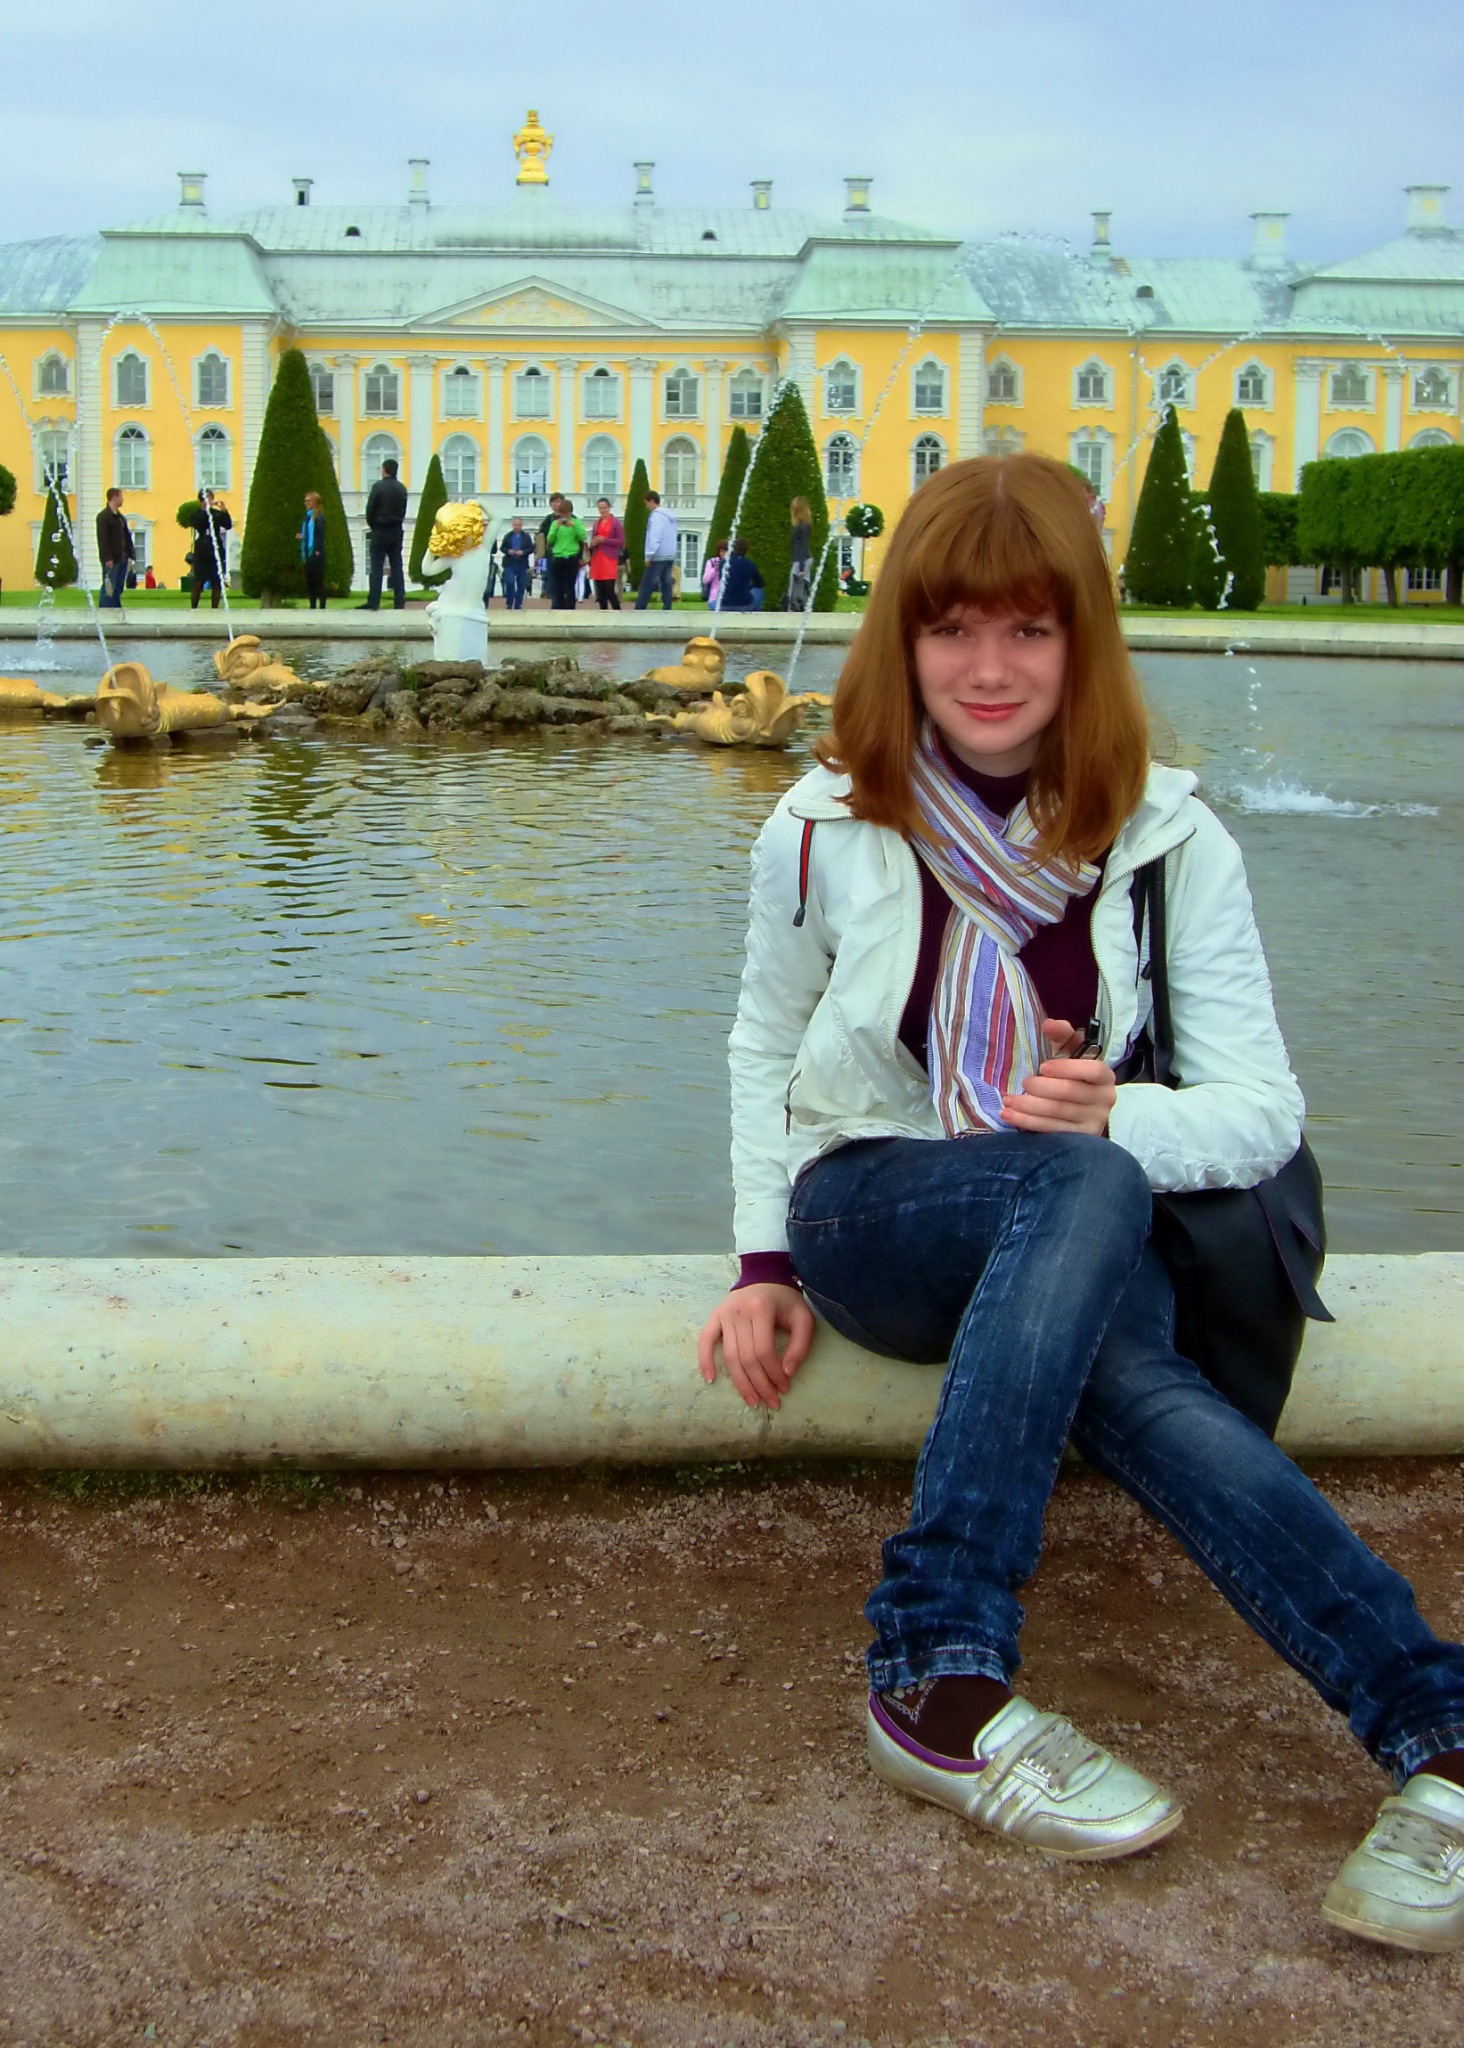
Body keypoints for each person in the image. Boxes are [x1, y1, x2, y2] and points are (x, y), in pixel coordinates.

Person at [697, 452, 1464, 1954]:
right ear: (903, 639)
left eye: (1029, 629)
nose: (988, 669)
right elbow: (761, 1040)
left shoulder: (1174, 838)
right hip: (877, 1210)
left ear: (1082, 641)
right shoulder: (821, 823)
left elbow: (1261, 1110)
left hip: (1086, 1221)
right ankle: (937, 1644)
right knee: (1081, 1182)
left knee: (1137, 1356)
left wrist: (1120, 1111)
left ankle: (1434, 1731)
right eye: (952, 628)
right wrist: (761, 1256)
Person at [362, 459, 408, 611]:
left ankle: (374, 601)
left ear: (384, 470)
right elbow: (403, 510)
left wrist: (373, 524)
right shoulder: (401, 488)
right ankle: (399, 601)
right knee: (397, 565)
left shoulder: (378, 487)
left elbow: (370, 508)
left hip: (380, 529)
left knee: (376, 566)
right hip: (396, 528)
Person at [189, 490, 233, 610]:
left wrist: (224, 511)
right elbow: (198, 524)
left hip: (215, 549)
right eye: (206, 498)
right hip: (202, 551)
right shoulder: (197, 514)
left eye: (210, 498)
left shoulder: (216, 514)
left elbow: (228, 525)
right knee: (199, 581)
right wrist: (204, 510)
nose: (209, 501)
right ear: (201, 501)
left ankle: (215, 608)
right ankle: (194, 607)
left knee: (216, 581)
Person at [635, 490, 678, 610]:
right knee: (666, 584)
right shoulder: (670, 516)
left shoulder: (656, 516)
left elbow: (654, 536)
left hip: (658, 555)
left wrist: (649, 555)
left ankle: (640, 608)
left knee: (648, 583)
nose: (646, 507)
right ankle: (667, 608)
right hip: (669, 555)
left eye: (647, 503)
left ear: (652, 501)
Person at [546, 497, 587, 610]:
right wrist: (556, 528)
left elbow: (582, 537)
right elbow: (550, 539)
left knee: (570, 584)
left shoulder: (577, 522)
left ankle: (570, 607)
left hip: (572, 556)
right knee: (558, 584)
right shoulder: (555, 523)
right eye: (562, 513)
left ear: (571, 512)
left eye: (567, 513)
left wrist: (573, 526)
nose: (565, 516)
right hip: (558, 556)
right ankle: (557, 606)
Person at [96, 488, 134, 609]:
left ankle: (116, 608)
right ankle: (105, 609)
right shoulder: (103, 517)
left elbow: (126, 537)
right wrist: (107, 558)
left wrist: (130, 554)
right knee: (109, 586)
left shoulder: (120, 517)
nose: (122, 499)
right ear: (114, 497)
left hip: (122, 557)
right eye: (120, 497)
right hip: (112, 558)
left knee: (118, 586)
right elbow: (103, 540)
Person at [589, 498, 625, 610]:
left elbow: (621, 541)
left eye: (604, 508)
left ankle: (617, 612)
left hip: (609, 559)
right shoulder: (596, 523)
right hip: (597, 558)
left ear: (609, 508)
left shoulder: (616, 523)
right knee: (600, 592)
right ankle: (603, 613)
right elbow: (593, 539)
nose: (602, 510)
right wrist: (593, 543)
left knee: (609, 590)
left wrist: (604, 540)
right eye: (600, 508)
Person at [297, 491, 327, 610]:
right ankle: (312, 606)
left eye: (308, 501)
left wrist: (317, 550)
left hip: (315, 552)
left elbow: (319, 535)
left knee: (318, 580)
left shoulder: (319, 517)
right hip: (308, 553)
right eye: (305, 501)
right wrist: (302, 536)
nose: (306, 503)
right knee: (310, 581)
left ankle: (322, 606)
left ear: (315, 502)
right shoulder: (307, 517)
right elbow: (308, 534)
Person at [717, 536, 764, 612]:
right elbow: (760, 583)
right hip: (744, 605)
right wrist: (749, 586)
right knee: (759, 590)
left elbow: (722, 581)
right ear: (746, 550)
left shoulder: (723, 563)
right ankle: (756, 613)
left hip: (724, 605)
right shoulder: (750, 564)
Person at [785, 494, 813, 611]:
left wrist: (801, 567)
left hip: (802, 559)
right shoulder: (802, 525)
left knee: (795, 587)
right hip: (802, 559)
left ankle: (796, 609)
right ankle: (802, 608)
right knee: (801, 586)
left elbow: (803, 546)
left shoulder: (803, 526)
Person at [500, 517, 534, 610]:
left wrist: (523, 552)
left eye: (518, 525)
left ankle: (518, 604)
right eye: (515, 525)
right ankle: (509, 602)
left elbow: (531, 548)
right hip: (509, 563)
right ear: (512, 525)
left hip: (522, 563)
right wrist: (508, 551)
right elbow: (502, 548)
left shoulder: (526, 537)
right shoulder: (508, 536)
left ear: (521, 526)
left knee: (521, 584)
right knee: (509, 582)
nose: (517, 527)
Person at [702, 541, 727, 606]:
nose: (724, 554)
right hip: (715, 597)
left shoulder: (732, 562)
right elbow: (705, 580)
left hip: (729, 598)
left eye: (726, 551)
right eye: (722, 551)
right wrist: (715, 569)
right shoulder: (711, 562)